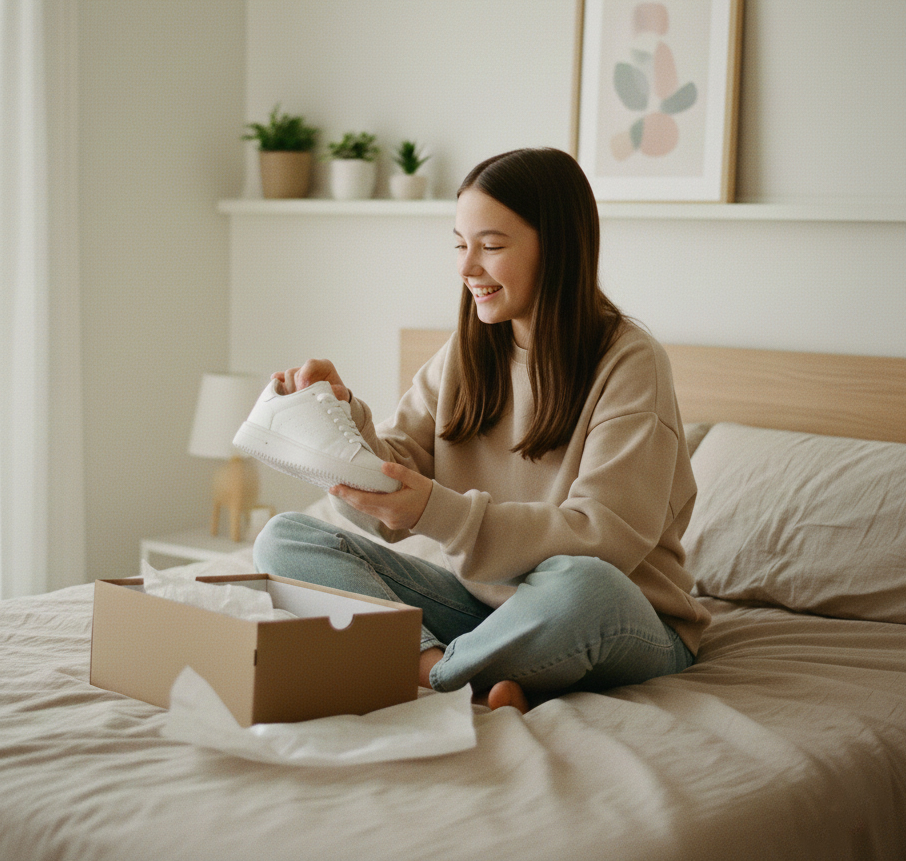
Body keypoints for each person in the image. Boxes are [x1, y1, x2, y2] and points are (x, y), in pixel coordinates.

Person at [253, 147, 710, 713]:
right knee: (284, 539)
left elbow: (606, 536)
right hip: (484, 610)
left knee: (582, 583)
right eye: (460, 245)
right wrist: (336, 417)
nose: (467, 267)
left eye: (490, 247)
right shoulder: (467, 352)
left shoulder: (629, 363)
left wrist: (439, 513)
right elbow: (396, 474)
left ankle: (431, 668)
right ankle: (446, 671)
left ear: (558, 247)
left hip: (622, 615)